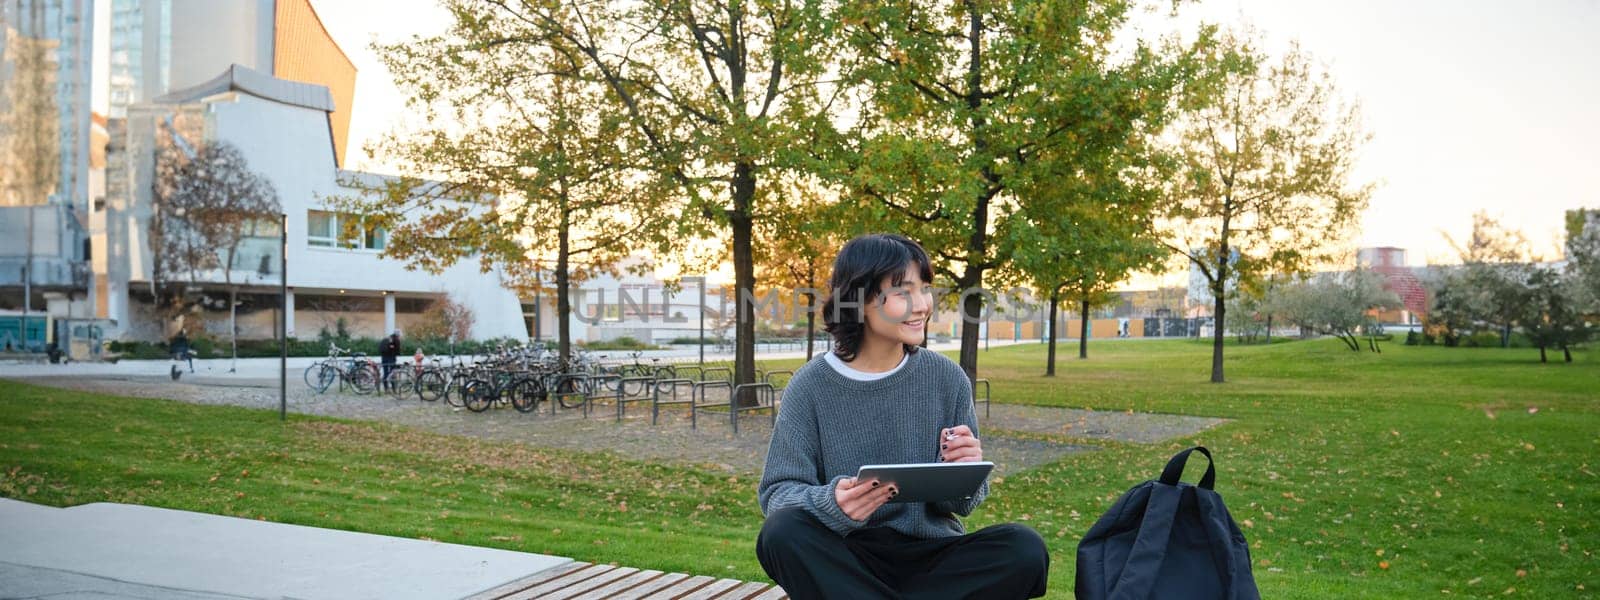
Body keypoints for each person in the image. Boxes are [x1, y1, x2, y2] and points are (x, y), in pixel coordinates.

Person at [756, 233, 1049, 599]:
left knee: (1024, 549)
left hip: (933, 558)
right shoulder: (810, 386)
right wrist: (833, 503)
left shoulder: (947, 379)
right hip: (848, 556)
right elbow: (778, 495)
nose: (923, 304)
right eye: (903, 292)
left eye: (924, 289)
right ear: (860, 301)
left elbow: (961, 506)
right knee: (781, 533)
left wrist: (964, 469)